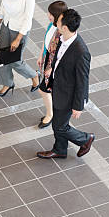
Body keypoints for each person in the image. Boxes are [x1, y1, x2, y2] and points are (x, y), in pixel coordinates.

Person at [37, 9, 95, 159]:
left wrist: (78, 106)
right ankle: (60, 149)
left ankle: (85, 138)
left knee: (59, 126)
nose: (56, 22)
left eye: (59, 21)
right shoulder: (63, 39)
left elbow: (83, 81)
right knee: (58, 122)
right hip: (58, 87)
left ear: (64, 27)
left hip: (68, 96)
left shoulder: (81, 52)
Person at [36, 1, 67, 128]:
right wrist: (41, 55)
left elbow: (61, 53)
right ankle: (52, 112)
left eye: (51, 14)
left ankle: (50, 114)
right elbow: (46, 41)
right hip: (48, 58)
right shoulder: (51, 25)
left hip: (54, 64)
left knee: (43, 89)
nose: (48, 15)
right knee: (48, 89)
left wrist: (51, 68)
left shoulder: (62, 32)